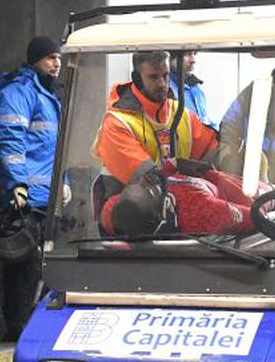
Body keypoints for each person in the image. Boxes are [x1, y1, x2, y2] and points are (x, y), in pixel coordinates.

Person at [0, 35, 62, 339]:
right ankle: (17, 326)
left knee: (44, 265)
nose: (56, 63)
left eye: (58, 57)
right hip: (28, 199)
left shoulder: (50, 96)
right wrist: (17, 184)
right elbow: (11, 141)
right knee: (24, 264)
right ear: (34, 60)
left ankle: (33, 324)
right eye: (49, 58)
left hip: (47, 197)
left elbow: (53, 150)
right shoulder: (19, 93)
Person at [96, 51, 218, 186]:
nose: (162, 84)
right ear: (137, 79)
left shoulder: (182, 114)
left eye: (165, 76)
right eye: (154, 77)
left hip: (176, 199)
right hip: (128, 202)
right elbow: (146, 179)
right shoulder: (118, 123)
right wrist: (177, 165)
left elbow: (214, 151)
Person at [99, 159, 264, 238]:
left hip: (201, 171)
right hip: (240, 189)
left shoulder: (113, 211)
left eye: (143, 185)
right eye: (152, 190)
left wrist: (175, 163)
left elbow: (152, 174)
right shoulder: (201, 212)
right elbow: (258, 218)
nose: (149, 182)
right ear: (159, 216)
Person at [168, 51, 212, 129]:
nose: (193, 60)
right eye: (188, 54)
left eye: (194, 54)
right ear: (170, 58)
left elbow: (205, 120)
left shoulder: (195, 86)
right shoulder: (165, 87)